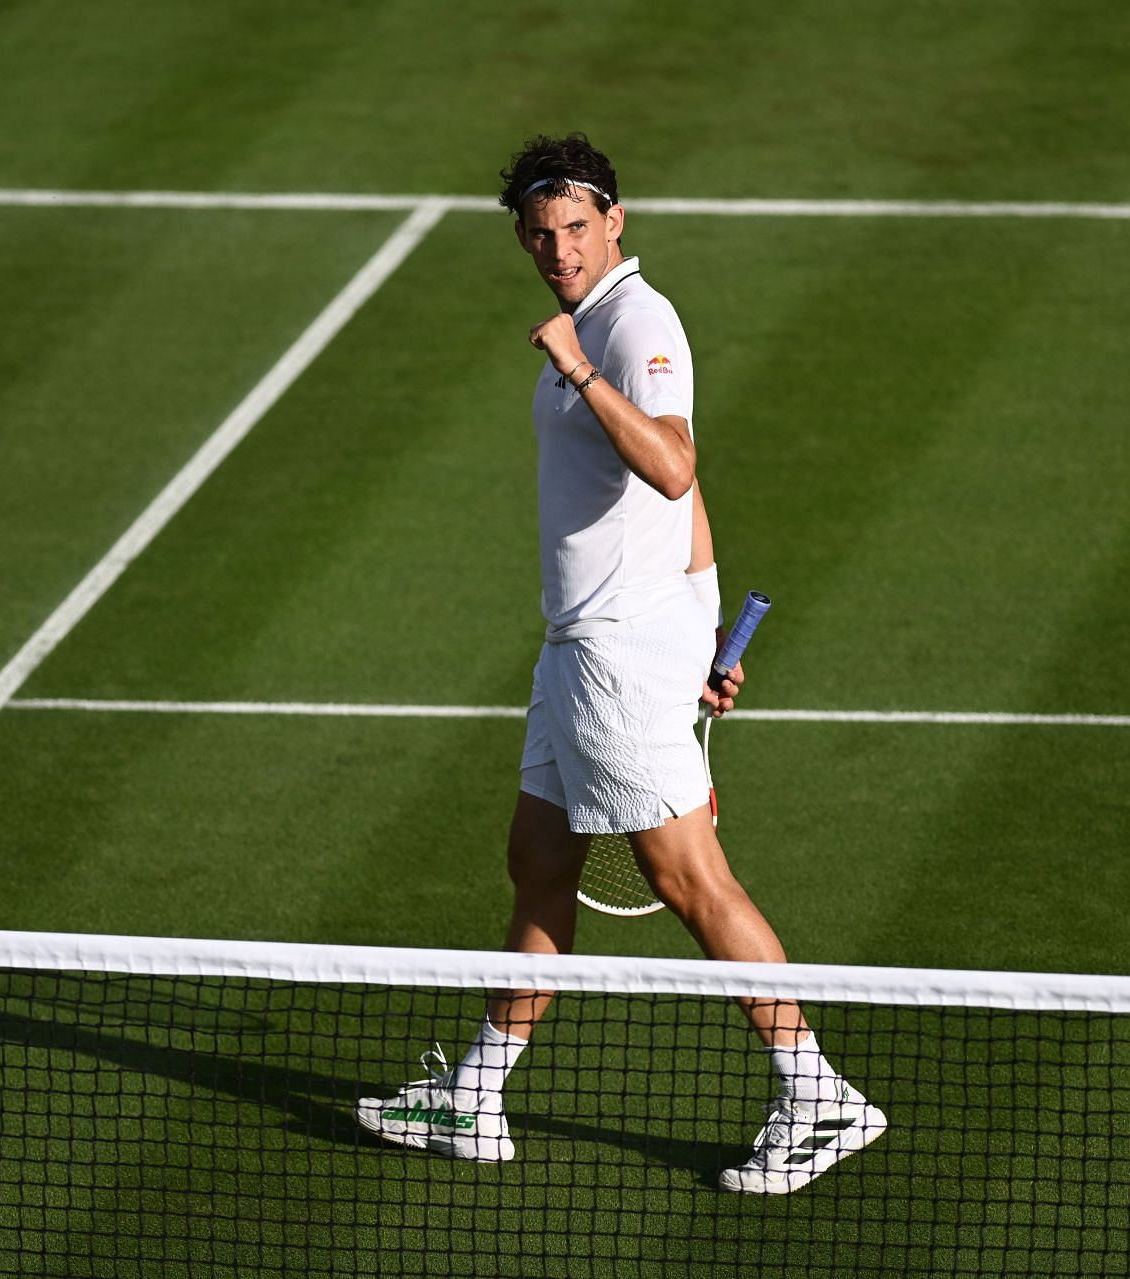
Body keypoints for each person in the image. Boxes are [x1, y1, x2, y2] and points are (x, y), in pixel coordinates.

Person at [355, 134, 884, 1194]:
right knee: (539, 861)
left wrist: (581, 371)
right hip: (591, 646)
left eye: (577, 229)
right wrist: (706, 625)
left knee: (689, 877)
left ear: (615, 222)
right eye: (541, 234)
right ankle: (475, 1094)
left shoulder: (632, 324)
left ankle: (817, 1093)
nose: (559, 250)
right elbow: (677, 502)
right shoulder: (593, 317)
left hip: (618, 658)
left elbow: (675, 462)